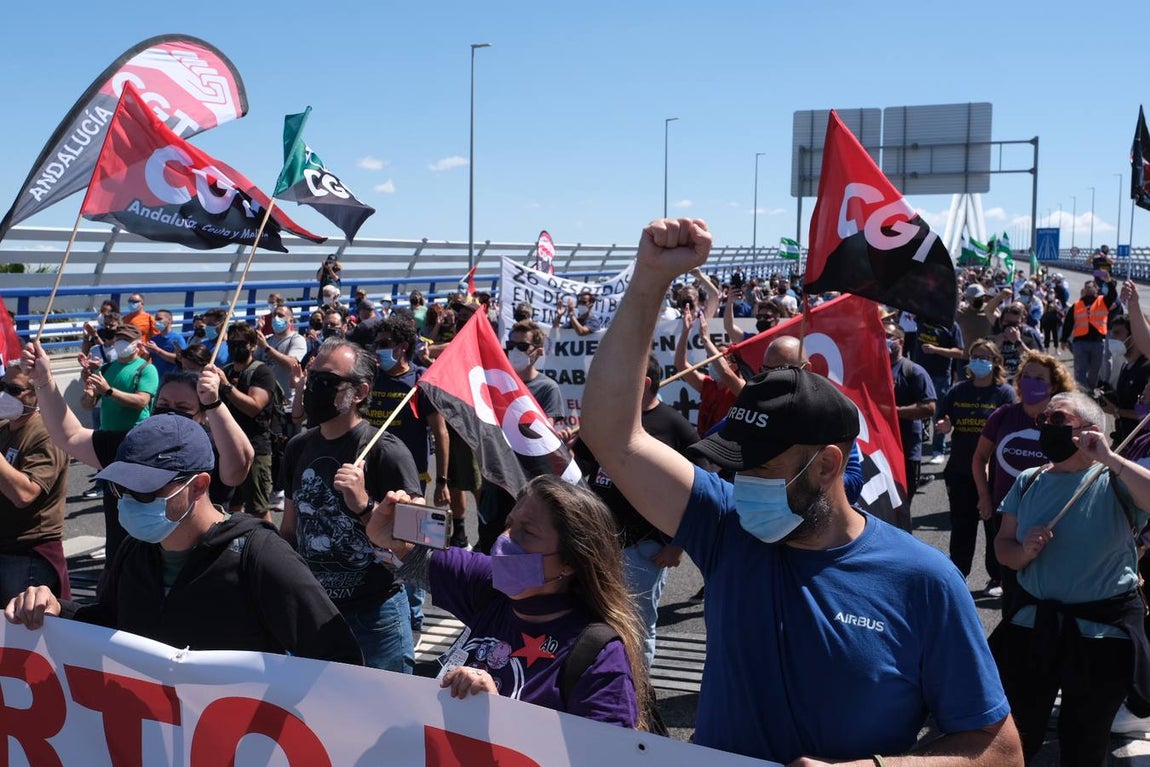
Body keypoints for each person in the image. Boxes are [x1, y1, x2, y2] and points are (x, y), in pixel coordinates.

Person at [580, 218, 1020, 765]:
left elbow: (999, 750)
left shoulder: (923, 583)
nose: (739, 486)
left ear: (827, 466)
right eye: (733, 469)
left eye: (760, 468)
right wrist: (650, 280)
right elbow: (611, 434)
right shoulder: (724, 528)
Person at [4, 413, 362, 665]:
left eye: (144, 490)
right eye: (119, 488)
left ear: (199, 486)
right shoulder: (135, 550)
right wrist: (58, 610)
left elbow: (337, 661)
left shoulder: (260, 556)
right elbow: (113, 626)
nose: (126, 501)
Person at [364, 476, 648, 729]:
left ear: (571, 562)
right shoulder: (489, 586)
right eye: (509, 524)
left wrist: (502, 716)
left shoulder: (598, 654)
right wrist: (386, 535)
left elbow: (609, 755)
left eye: (527, 532)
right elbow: (413, 559)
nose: (504, 539)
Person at [992, 391, 1150, 765]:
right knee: (1019, 736)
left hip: (1100, 637)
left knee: (1084, 740)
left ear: (1090, 431)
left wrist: (1110, 458)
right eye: (1043, 419)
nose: (1046, 426)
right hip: (1032, 630)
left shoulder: (1114, 479)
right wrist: (1023, 552)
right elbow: (1003, 546)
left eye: (1057, 419)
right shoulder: (1029, 480)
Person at [280, 338, 424, 672]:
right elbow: (290, 530)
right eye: (311, 377)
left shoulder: (387, 451)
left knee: (385, 713)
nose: (313, 387)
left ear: (359, 392)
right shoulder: (298, 448)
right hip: (315, 610)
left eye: (327, 382)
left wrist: (364, 506)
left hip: (375, 616)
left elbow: (419, 545)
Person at [573, 355, 697, 668]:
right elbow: (580, 465)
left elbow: (698, 491)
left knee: (638, 626)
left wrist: (678, 542)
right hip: (601, 544)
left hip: (646, 548)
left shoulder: (674, 426)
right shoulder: (612, 419)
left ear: (643, 384)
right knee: (599, 618)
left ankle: (638, 701)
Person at [973, 350, 1075, 605]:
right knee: (1011, 584)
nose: (1031, 382)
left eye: (1039, 379)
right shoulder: (1004, 415)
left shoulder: (1065, 422)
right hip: (1006, 512)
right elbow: (979, 458)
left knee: (1046, 587)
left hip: (1049, 515)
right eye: (1026, 376)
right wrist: (984, 495)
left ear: (1054, 385)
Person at [474, 321, 568, 553]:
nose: (515, 350)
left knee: (518, 550)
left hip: (526, 484)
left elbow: (541, 439)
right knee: (489, 545)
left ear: (537, 352)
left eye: (522, 346)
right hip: (495, 481)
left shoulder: (547, 388)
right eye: (511, 344)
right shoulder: (494, 383)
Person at [933, 340, 1015, 587]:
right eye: (975, 356)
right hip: (960, 469)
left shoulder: (1004, 393)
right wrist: (944, 427)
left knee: (994, 526)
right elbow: (942, 419)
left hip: (995, 473)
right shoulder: (958, 391)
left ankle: (997, 577)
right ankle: (958, 576)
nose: (979, 361)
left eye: (984, 356)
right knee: (962, 526)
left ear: (995, 362)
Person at [0, 364, 69, 605]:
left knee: (23, 630)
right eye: (1, 386)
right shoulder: (5, 427)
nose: (4, 395)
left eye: (13, 389)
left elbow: (24, 494)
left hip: (27, 552)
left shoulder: (47, 434)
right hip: (7, 546)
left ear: (36, 393)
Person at [220, 322, 277, 518]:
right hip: (228, 447)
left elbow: (254, 407)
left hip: (254, 447)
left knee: (258, 508)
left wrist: (227, 387)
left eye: (241, 343)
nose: (235, 348)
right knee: (231, 505)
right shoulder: (226, 370)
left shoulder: (261, 372)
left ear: (252, 345)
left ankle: (269, 545)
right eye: (231, 343)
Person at [886, 324, 936, 527]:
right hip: (881, 450)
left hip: (906, 449)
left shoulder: (913, 371)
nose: (885, 339)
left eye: (889, 336)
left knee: (902, 505)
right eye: (881, 335)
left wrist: (893, 412)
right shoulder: (872, 368)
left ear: (901, 341)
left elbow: (929, 407)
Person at [80, 325, 159, 432]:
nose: (121, 343)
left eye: (126, 339)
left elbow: (142, 401)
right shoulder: (105, 368)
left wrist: (109, 391)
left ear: (138, 344)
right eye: (119, 339)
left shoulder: (147, 369)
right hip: (106, 434)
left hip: (134, 434)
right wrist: (89, 397)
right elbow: (87, 405)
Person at [914, 317, 965, 464]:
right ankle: (914, 449)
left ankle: (938, 450)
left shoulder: (951, 325)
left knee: (939, 413)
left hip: (940, 375)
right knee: (915, 411)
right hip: (919, 373)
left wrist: (936, 350)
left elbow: (959, 352)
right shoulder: (921, 319)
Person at [1061, 277, 1119, 389]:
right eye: (1086, 287)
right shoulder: (1077, 305)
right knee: (1080, 370)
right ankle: (1082, 392)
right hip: (1080, 343)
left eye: (1090, 287)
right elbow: (1068, 323)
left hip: (1097, 342)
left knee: (1094, 370)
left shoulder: (1103, 301)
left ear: (1096, 289)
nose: (1088, 289)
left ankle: (1090, 390)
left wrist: (1108, 282)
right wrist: (1064, 339)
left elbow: (1113, 294)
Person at [143, 308, 187, 379]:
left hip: (172, 379)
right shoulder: (154, 339)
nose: (156, 322)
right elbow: (146, 360)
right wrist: (145, 353)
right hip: (156, 378)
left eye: (159, 319)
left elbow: (180, 360)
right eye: (156, 319)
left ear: (169, 320)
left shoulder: (178, 339)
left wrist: (158, 350)